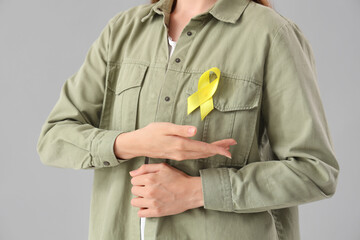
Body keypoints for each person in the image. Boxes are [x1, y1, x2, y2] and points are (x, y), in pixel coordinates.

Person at [36, 0, 340, 239]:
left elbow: (315, 172)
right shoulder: (123, 31)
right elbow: (54, 138)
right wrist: (131, 142)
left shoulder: (271, 35)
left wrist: (197, 191)